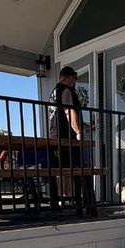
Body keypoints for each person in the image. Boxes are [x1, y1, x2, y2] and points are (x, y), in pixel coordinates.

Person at [48, 67, 92, 214]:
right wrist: (78, 131)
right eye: (74, 79)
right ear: (69, 77)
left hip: (55, 137)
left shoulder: (54, 93)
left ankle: (56, 205)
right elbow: (69, 111)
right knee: (79, 171)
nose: (75, 82)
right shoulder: (66, 90)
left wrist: (85, 126)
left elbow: (61, 115)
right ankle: (80, 205)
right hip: (67, 139)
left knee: (58, 171)